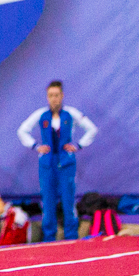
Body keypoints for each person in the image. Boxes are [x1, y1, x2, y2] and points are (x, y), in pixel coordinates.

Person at [17, 80, 98, 242]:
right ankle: (49, 237)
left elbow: (92, 129)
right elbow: (22, 131)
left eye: (57, 95)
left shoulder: (70, 114)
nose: (54, 99)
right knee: (48, 201)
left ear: (62, 96)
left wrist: (78, 145)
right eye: (51, 96)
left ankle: (71, 237)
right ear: (47, 97)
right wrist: (35, 146)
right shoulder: (41, 115)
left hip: (66, 163)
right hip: (47, 164)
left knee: (68, 200)